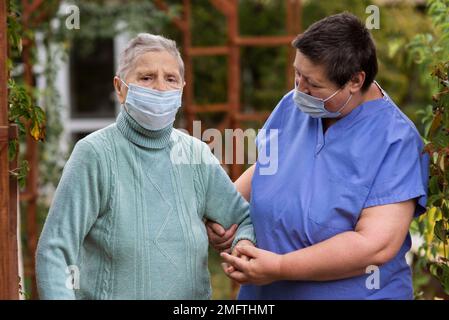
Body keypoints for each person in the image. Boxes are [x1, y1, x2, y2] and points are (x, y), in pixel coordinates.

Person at [207, 13, 429, 300]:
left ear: (354, 80)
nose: (299, 88)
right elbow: (267, 167)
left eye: (312, 82)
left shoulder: (396, 140)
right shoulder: (294, 105)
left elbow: (375, 245)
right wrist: (224, 215)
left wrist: (280, 266)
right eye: (297, 74)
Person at [36, 33, 255, 300]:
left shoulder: (195, 154)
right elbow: (55, 251)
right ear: (120, 88)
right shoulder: (94, 154)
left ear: (182, 88)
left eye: (171, 78)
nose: (160, 88)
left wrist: (243, 242)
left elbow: (244, 219)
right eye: (146, 77)